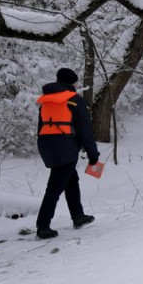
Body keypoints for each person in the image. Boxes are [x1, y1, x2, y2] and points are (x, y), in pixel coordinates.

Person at [35, 68, 100, 239]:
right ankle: (43, 226)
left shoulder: (46, 101)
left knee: (71, 180)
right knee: (55, 187)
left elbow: (41, 128)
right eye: (76, 82)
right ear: (72, 83)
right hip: (66, 148)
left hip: (48, 145)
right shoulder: (75, 101)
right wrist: (93, 155)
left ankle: (78, 216)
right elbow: (86, 132)